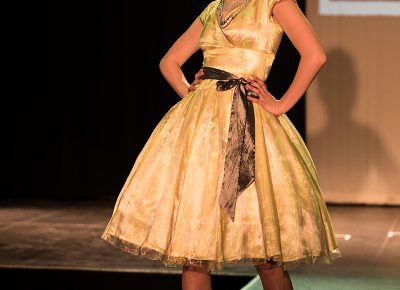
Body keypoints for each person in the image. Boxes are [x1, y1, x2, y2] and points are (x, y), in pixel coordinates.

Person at [101, 0, 341, 289]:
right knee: (194, 252)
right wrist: (189, 91)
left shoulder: (274, 2)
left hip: (251, 126)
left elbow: (315, 55)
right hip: (201, 132)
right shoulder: (215, 7)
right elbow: (169, 61)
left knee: (266, 252)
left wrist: (280, 105)